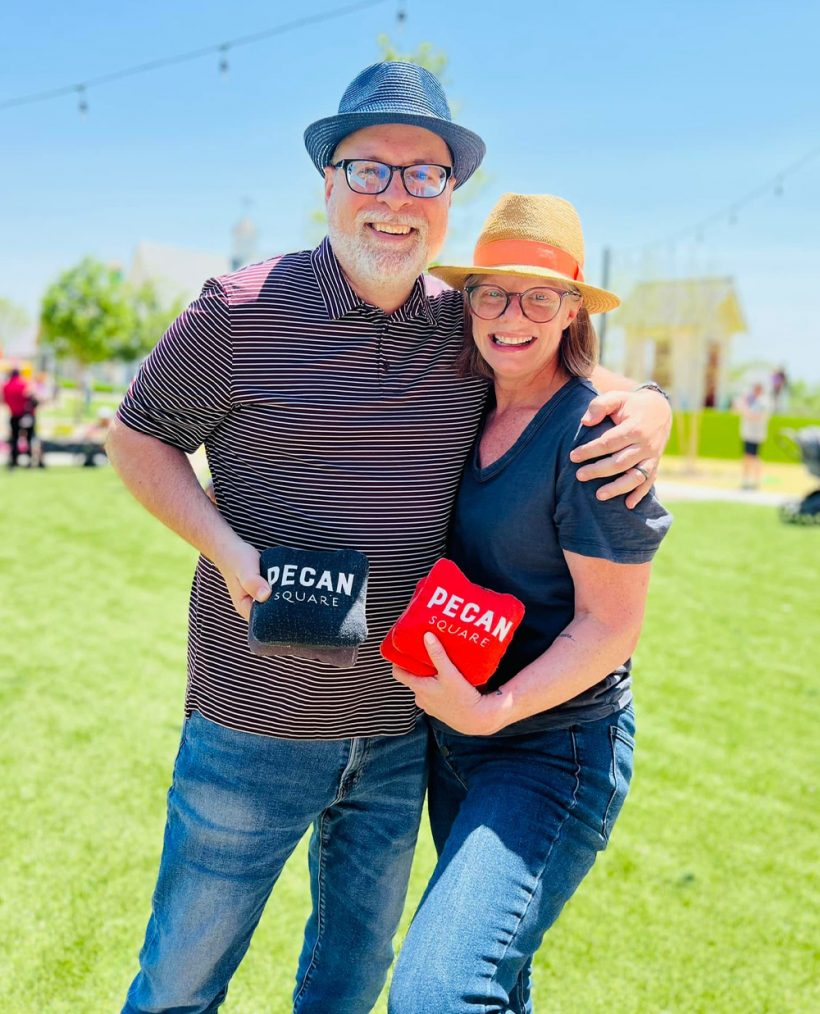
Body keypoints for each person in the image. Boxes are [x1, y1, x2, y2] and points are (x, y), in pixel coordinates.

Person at [106, 62, 672, 1014]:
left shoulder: (464, 324)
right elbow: (135, 437)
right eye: (370, 169)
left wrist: (646, 404)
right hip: (252, 722)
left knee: (351, 983)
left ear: (449, 199)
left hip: (406, 727)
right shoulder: (238, 312)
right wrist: (227, 551)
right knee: (179, 981)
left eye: (425, 175)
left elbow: (553, 357)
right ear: (327, 181)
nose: (395, 198)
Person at [388, 194, 672, 1014]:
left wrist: (493, 709)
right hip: (455, 744)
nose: (513, 315)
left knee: (437, 993)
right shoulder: (467, 401)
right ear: (469, 299)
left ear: (573, 308)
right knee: (497, 986)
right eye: (493, 293)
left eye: (540, 295)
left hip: (552, 749)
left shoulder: (593, 435)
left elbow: (611, 624)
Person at [735, 381, 771, 490]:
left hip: (755, 435)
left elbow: (755, 416)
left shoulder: (763, 402)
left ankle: (755, 481)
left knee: (754, 458)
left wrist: (744, 408)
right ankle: (746, 480)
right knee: (747, 457)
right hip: (748, 434)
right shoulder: (752, 401)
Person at [3, 368, 36, 468]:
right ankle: (30, 460)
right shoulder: (24, 385)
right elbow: (31, 397)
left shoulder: (6, 386)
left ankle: (14, 460)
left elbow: (4, 400)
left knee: (14, 438)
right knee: (29, 438)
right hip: (26, 415)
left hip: (14, 415)